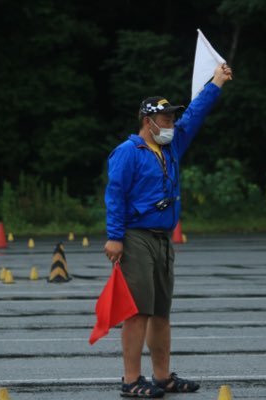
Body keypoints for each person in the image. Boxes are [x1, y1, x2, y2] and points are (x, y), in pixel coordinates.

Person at [104, 63, 232, 398]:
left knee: (161, 312)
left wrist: (217, 81)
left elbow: (197, 112)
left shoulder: (171, 147)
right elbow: (115, 194)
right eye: (166, 119)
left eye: (173, 119)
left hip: (162, 240)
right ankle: (131, 380)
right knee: (138, 312)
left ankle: (162, 378)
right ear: (148, 122)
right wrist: (115, 236)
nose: (172, 124)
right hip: (135, 237)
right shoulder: (128, 152)